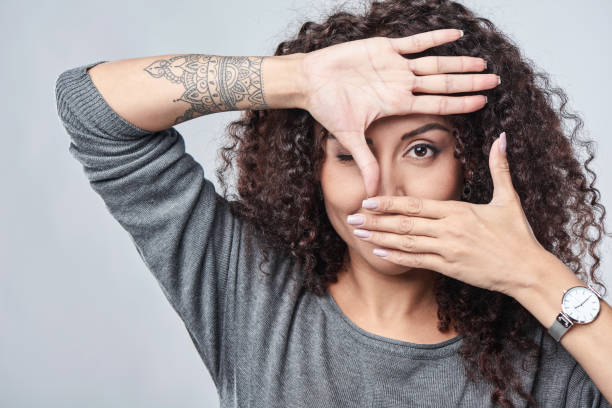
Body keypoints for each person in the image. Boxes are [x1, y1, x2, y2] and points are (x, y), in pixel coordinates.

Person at [55, 0, 612, 406]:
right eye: (348, 152)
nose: (382, 189)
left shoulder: (550, 348)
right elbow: (92, 108)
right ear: (311, 171)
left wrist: (535, 276)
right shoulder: (250, 284)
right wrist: (299, 80)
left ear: (472, 164)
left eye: (421, 149)